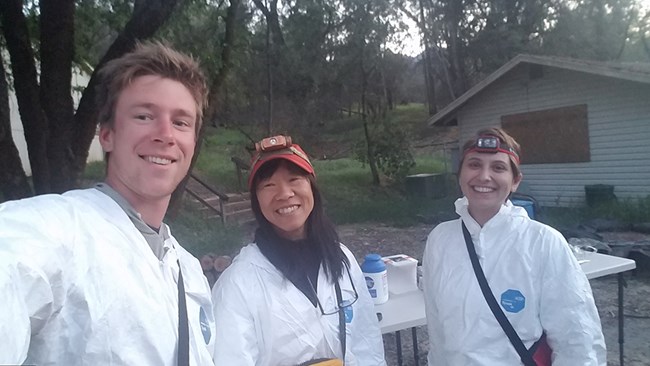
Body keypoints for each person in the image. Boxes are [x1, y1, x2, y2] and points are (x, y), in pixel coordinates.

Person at [0, 42, 215, 365]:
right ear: (107, 135)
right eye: (144, 116)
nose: (165, 134)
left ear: (193, 142)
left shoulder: (189, 271)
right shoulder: (55, 230)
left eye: (181, 122)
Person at [422, 127, 606, 365]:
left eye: (498, 167)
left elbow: (578, 338)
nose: (484, 176)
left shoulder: (543, 242)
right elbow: (437, 330)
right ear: (460, 175)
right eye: (474, 164)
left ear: (515, 181)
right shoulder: (440, 239)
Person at [211, 135, 386, 366]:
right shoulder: (238, 283)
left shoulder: (342, 258)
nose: (284, 194)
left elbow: (366, 343)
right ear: (256, 201)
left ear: (312, 187)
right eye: (269, 185)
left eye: (294, 179)